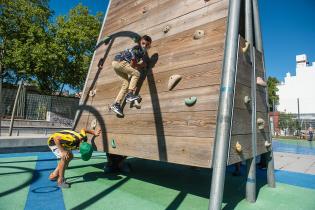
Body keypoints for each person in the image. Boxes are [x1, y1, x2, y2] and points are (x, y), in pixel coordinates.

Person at [110, 35, 152, 116]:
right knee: (136, 73)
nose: (144, 46)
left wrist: (140, 65)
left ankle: (116, 104)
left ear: (149, 45)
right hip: (120, 62)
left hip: (115, 63)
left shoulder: (141, 51)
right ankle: (130, 95)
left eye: (147, 45)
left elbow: (132, 65)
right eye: (143, 44)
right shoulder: (137, 49)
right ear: (140, 42)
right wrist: (141, 65)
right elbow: (133, 64)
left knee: (125, 84)